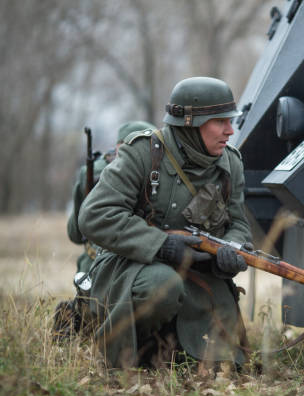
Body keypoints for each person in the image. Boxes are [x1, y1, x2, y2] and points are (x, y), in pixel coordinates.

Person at [78, 77, 252, 369]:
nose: (229, 131)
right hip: (130, 266)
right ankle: (137, 351)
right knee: (162, 285)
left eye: (230, 121)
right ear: (190, 123)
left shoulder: (230, 163)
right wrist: (162, 244)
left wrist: (231, 249)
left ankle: (176, 349)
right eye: (219, 121)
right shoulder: (143, 152)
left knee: (222, 366)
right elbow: (94, 216)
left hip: (198, 273)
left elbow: (238, 222)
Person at [67, 121, 156, 275]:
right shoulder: (157, 176)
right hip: (99, 267)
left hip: (137, 264)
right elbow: (76, 231)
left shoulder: (95, 171)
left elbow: (75, 233)